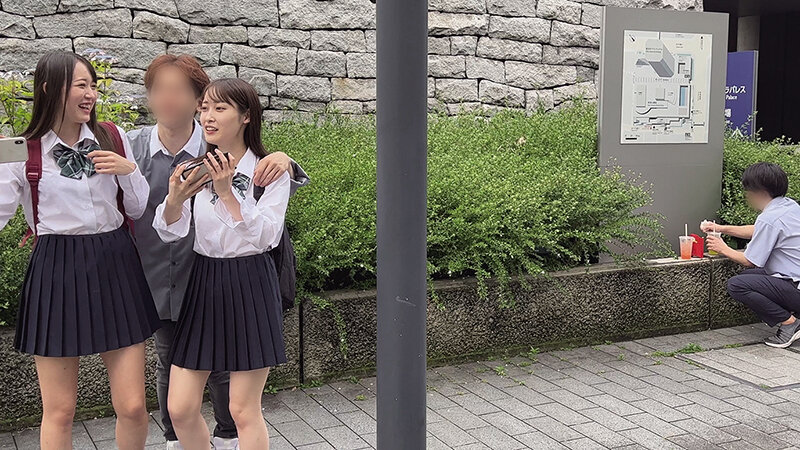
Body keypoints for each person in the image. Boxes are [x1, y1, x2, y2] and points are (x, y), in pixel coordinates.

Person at [127, 55, 308, 450]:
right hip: (204, 280)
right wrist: (175, 200)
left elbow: (265, 237)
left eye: (220, 108)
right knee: (180, 407)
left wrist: (227, 193)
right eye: (205, 108)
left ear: (246, 116)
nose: (208, 116)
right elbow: (170, 230)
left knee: (243, 409)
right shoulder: (196, 168)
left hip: (250, 282)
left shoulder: (268, 172)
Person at [0, 51, 160, 448]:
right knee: (60, 411)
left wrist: (128, 171)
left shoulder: (112, 136)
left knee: (133, 406)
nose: (90, 94)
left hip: (115, 261)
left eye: (93, 85)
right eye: (80, 85)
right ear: (49, 88)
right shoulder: (22, 150)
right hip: (56, 268)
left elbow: (137, 208)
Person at [705, 162, 800, 348]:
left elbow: (750, 261)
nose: (747, 195)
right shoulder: (789, 206)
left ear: (760, 193)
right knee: (749, 277)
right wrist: (720, 228)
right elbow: (758, 230)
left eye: (748, 191)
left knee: (737, 285)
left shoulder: (769, 217)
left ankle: (790, 324)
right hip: (794, 280)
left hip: (796, 286)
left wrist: (722, 248)